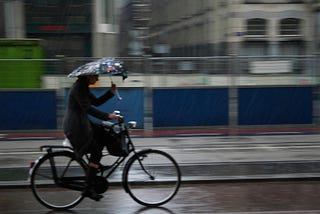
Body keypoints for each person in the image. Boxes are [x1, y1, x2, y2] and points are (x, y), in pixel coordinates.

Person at [63, 74, 117, 201]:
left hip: (82, 123)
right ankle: (87, 188)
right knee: (96, 151)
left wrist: (110, 92)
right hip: (76, 127)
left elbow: (96, 102)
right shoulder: (79, 88)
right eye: (96, 77)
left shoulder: (83, 87)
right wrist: (107, 116)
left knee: (103, 132)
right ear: (88, 76)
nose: (97, 79)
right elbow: (87, 108)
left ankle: (95, 165)